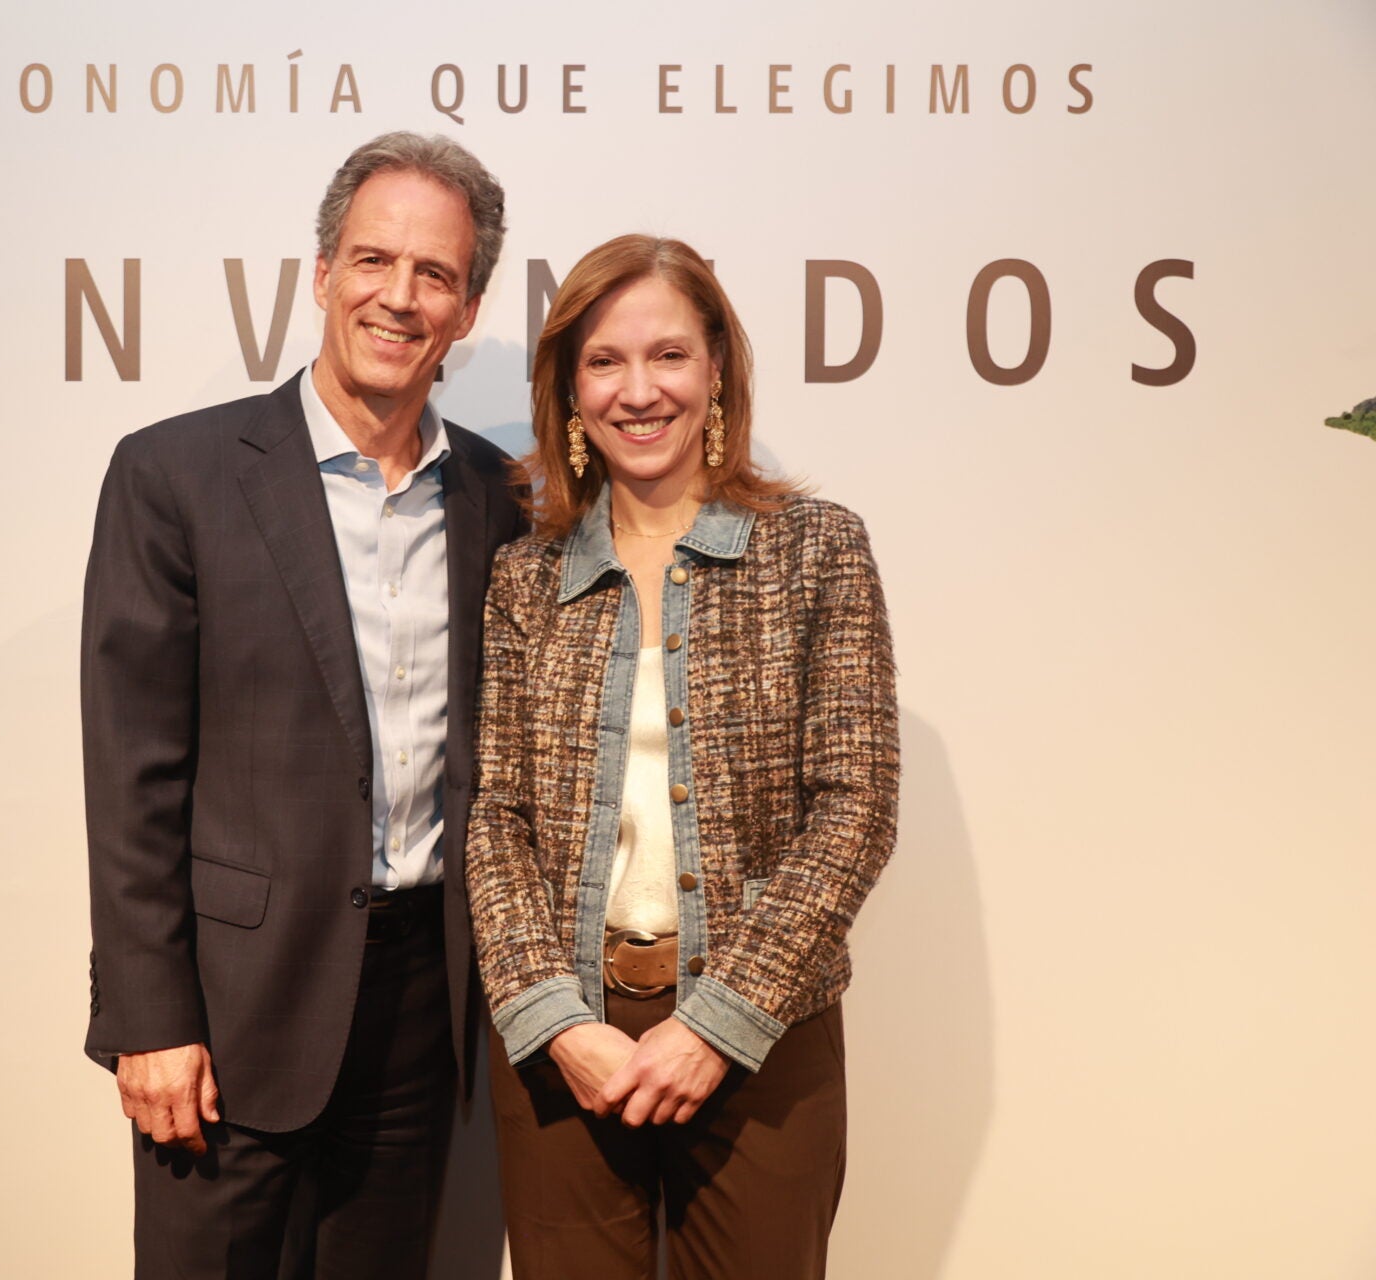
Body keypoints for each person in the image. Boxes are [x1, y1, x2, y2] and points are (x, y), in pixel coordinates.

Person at [80, 133, 525, 1278]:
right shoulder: (175, 475)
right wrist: (150, 1016)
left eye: (435, 274)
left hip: (422, 1010)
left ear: (468, 307)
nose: (400, 295)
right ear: (321, 272)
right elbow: (133, 776)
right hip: (227, 1019)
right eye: (374, 259)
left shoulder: (495, 496)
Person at [467, 234, 899, 1279]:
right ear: (570, 390)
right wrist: (555, 1019)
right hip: (567, 1038)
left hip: (765, 1034)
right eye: (604, 362)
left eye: (668, 355)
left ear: (717, 371)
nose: (638, 389)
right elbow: (497, 814)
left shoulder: (816, 547)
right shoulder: (527, 577)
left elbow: (856, 805)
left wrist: (717, 1021)